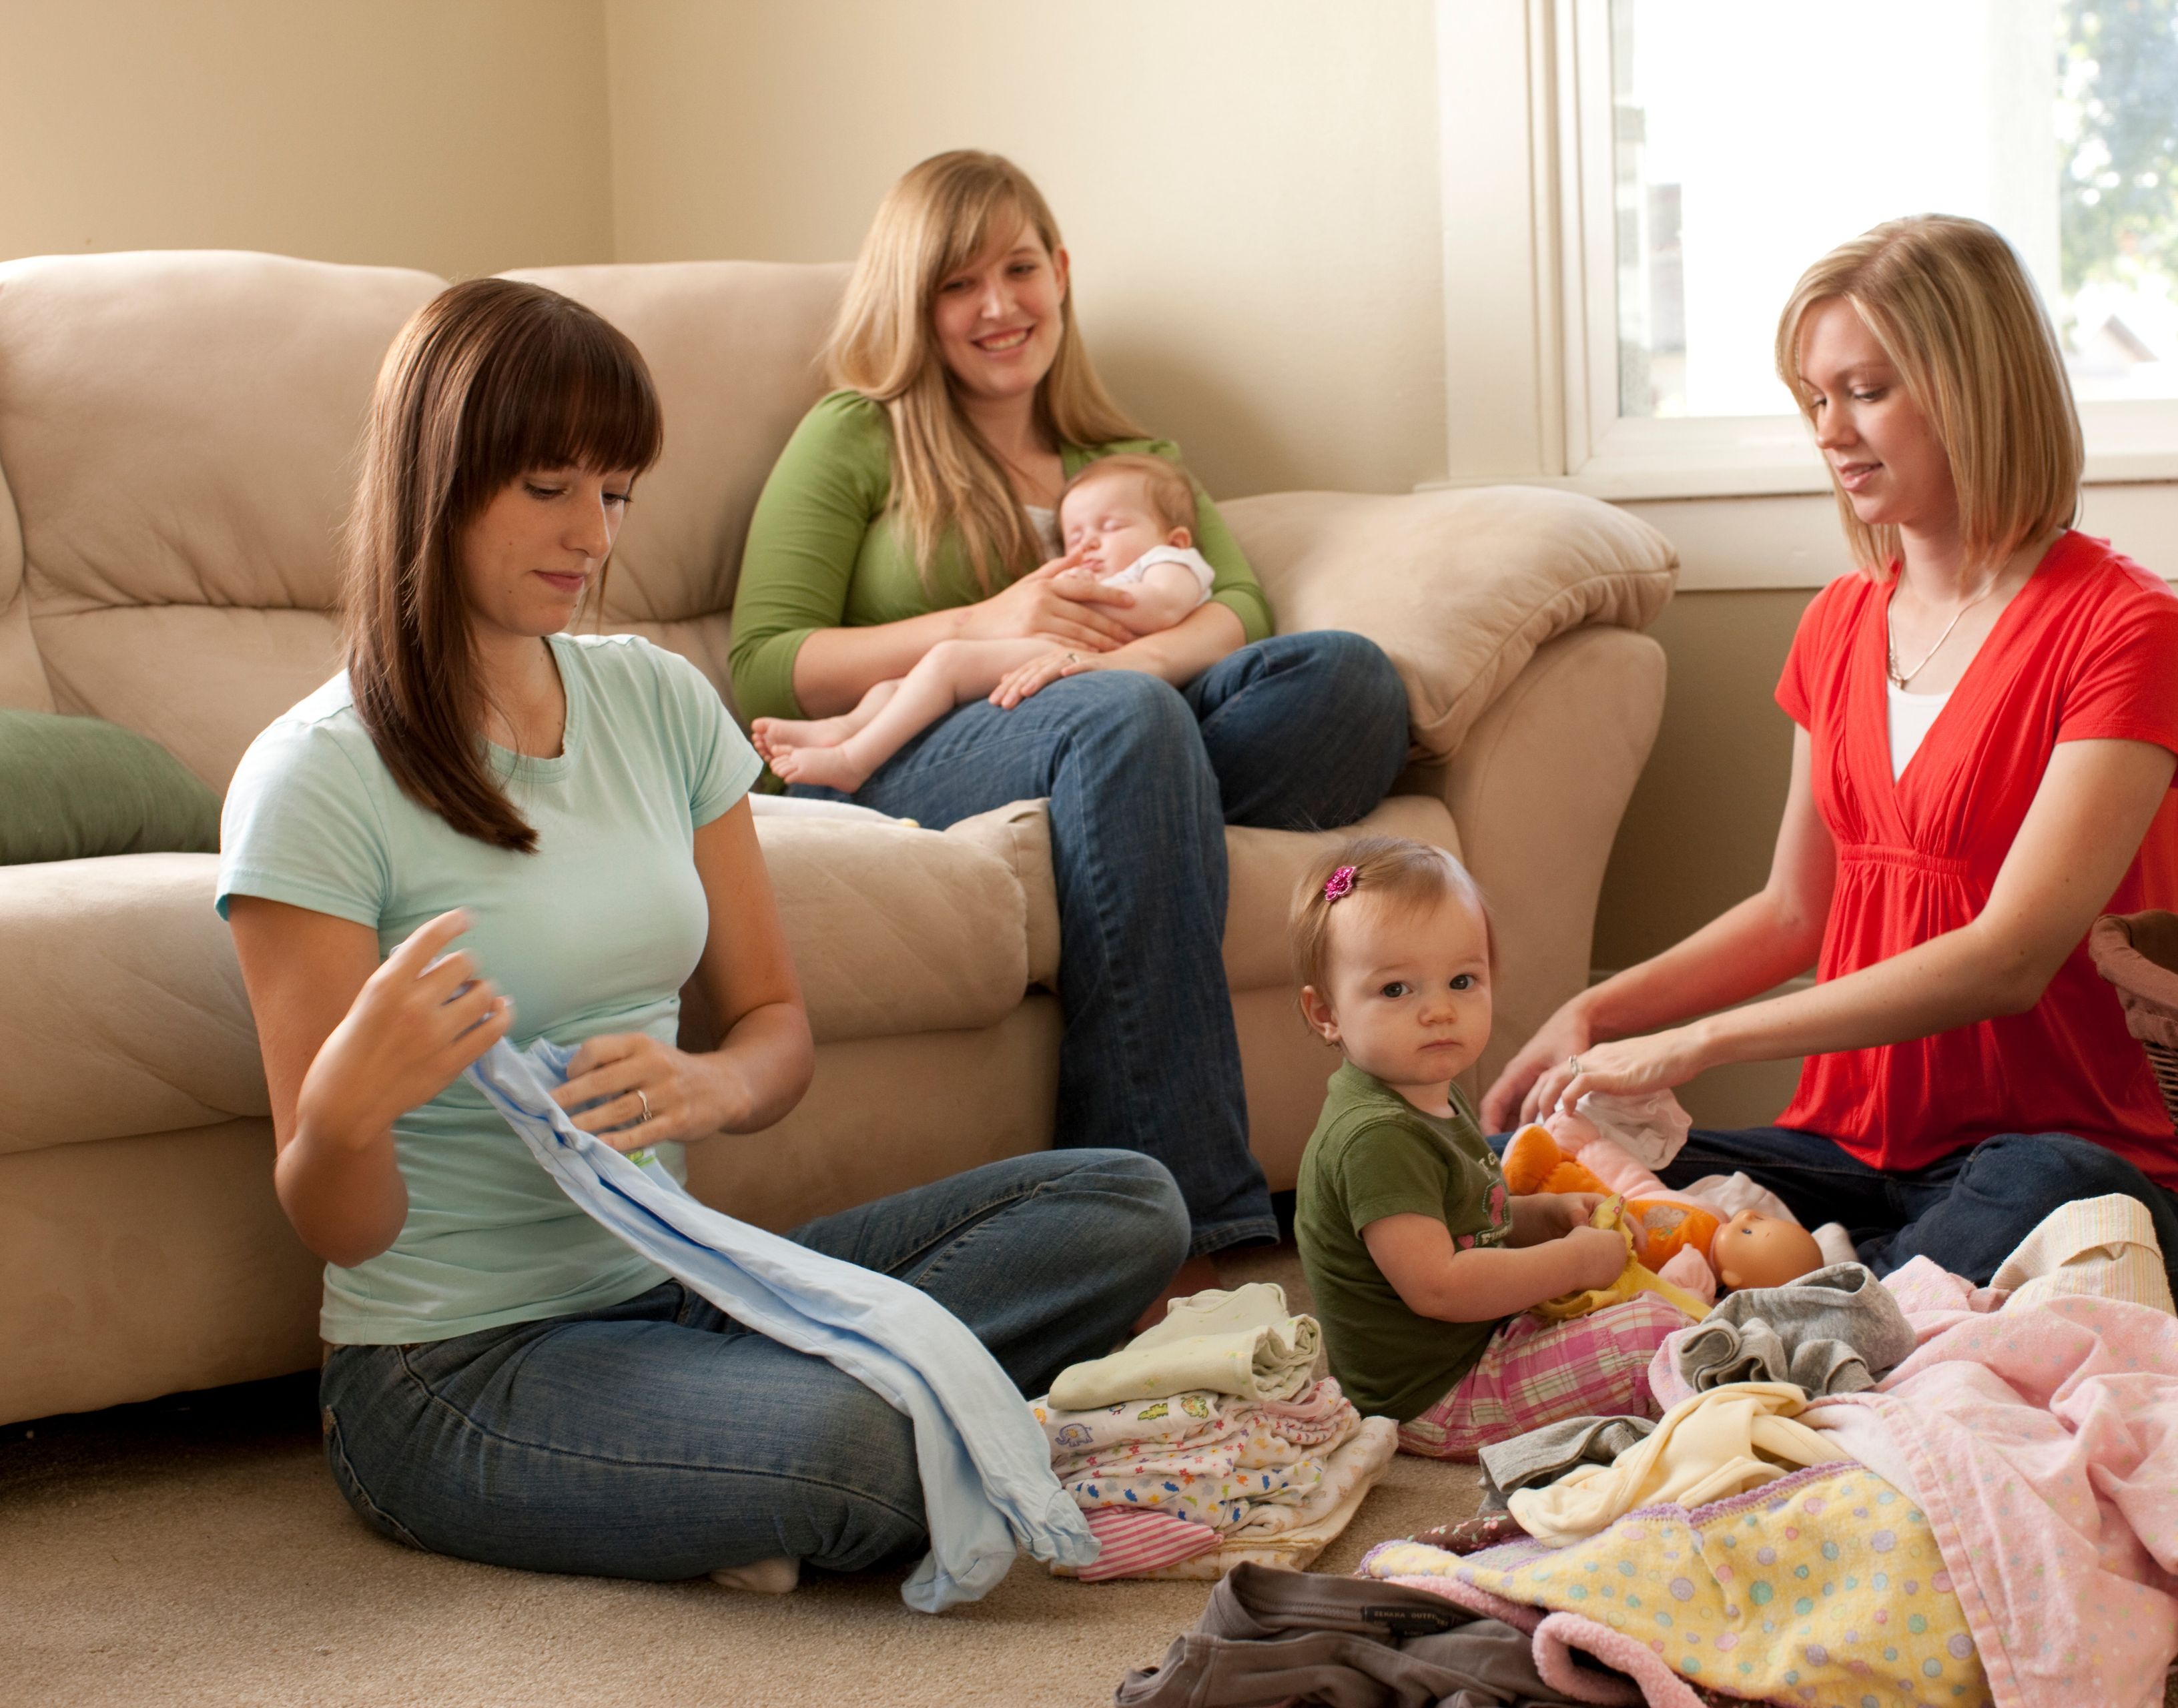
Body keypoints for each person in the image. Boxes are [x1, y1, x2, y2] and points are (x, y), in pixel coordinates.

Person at [220, 278, 1188, 1593]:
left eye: (615, 492)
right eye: (551, 487)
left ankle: (723, 1448)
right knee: (861, 1447)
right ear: (438, 479)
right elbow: (343, 1226)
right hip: (456, 1366)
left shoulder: (660, 701)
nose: (594, 535)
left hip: (690, 1278)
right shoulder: (315, 780)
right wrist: (341, 1116)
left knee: (1127, 1201)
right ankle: (778, 1441)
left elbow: (771, 1025)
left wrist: (714, 1081)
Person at [1484, 216, 2178, 1308]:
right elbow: (1792, 914)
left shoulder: (2128, 628)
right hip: (1849, 1157)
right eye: (1815, 398)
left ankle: (1772, 1306)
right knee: (1527, 1171)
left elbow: (2009, 957)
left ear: (1976, 388)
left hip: (2049, 1156)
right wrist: (1598, 1017)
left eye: (1866, 390)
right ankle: (1839, 1305)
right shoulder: (1836, 623)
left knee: (2058, 1191)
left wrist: (1691, 1045)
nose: (1832, 429)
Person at [728, 150, 1412, 1284]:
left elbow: (1238, 603)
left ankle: (1133, 791)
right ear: (914, 302)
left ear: (1063, 274)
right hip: (912, 748)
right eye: (958, 284)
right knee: (1128, 729)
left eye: (1020, 268)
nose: (998, 306)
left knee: (1348, 681)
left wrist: (1136, 660)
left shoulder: (1131, 460)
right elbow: (767, 665)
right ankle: (1180, 1229)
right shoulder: (859, 432)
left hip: (1121, 718)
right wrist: (998, 614)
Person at [1289, 837, 1693, 1460]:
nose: (1439, 1011)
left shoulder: (1424, 1097)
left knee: (1649, 1295)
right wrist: (1576, 1264)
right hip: (1434, 1399)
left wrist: (1542, 1218)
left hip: (1480, 1344)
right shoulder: (1375, 1138)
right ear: (1326, 1014)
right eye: (1397, 990)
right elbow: (1441, 1287)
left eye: (1461, 981)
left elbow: (1463, 1222)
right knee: (1654, 1333)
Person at [748, 452, 1218, 792]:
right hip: (1055, 658)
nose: (1090, 544)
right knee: (895, 685)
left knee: (948, 661)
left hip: (1085, 661)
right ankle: (846, 727)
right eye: (1076, 535)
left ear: (1175, 538)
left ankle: (854, 760)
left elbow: (1164, 607)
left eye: (1111, 527)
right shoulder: (1109, 568)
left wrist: (1082, 595)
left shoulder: (1170, 562)